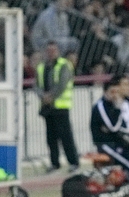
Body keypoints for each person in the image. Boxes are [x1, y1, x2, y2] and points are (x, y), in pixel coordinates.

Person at [35, 40, 79, 173]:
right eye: (48, 50)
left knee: (66, 136)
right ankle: (55, 163)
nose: (50, 53)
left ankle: (73, 161)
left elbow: (63, 84)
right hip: (48, 108)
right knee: (51, 137)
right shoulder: (42, 67)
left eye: (53, 50)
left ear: (58, 51)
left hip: (61, 106)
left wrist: (50, 96)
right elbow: (36, 84)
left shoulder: (64, 65)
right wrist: (43, 96)